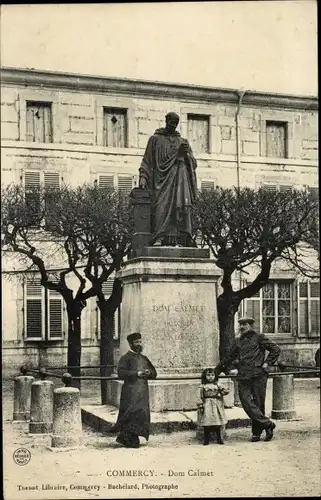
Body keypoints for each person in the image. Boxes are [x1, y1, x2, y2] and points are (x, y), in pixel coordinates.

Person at [214, 317, 281, 443]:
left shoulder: (259, 337)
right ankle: (268, 424)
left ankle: (256, 433)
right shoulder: (238, 341)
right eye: (240, 325)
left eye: (245, 324)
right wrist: (216, 370)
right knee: (245, 402)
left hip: (258, 375)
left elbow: (275, 349)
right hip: (244, 375)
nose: (242, 327)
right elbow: (229, 357)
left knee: (258, 404)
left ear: (251, 325)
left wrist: (267, 363)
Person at [139, 112, 198, 247]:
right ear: (166, 121)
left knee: (182, 207)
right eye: (172, 122)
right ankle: (159, 237)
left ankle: (182, 239)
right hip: (160, 183)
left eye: (176, 123)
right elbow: (147, 160)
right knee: (161, 208)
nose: (174, 125)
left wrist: (186, 154)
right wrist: (143, 176)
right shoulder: (155, 140)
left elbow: (193, 164)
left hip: (180, 180)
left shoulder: (183, 142)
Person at [109, 332, 157, 448]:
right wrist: (137, 373)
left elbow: (154, 373)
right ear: (130, 344)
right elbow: (121, 373)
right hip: (130, 392)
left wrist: (148, 372)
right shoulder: (126, 358)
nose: (139, 344)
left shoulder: (144, 358)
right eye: (136, 342)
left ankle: (133, 437)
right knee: (130, 413)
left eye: (140, 341)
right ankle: (127, 438)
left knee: (141, 414)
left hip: (142, 392)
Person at [197, 367, 230, 445]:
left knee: (217, 422)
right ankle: (206, 439)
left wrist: (221, 393)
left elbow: (226, 390)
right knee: (207, 422)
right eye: (208, 375)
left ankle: (219, 438)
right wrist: (201, 404)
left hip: (216, 405)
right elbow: (199, 396)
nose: (211, 377)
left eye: (212, 375)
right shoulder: (203, 386)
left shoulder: (218, 384)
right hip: (207, 405)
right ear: (205, 376)